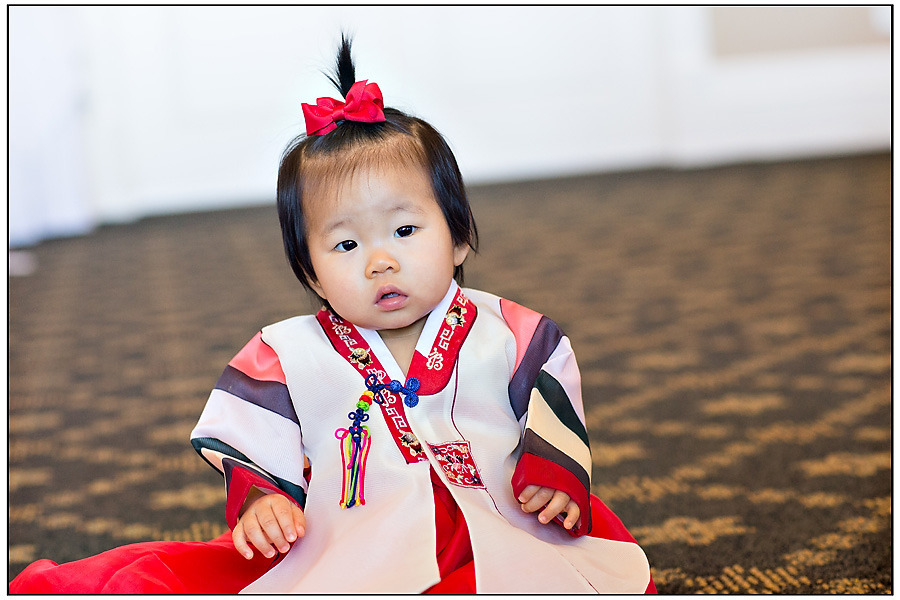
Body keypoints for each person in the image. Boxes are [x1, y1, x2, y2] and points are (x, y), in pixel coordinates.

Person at [11, 37, 654, 594]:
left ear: (459, 238)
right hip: (354, 532)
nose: (380, 261)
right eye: (346, 245)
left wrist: (552, 473)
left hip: (495, 517)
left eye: (405, 230)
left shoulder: (512, 334)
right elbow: (252, 438)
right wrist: (265, 501)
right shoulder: (284, 355)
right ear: (312, 273)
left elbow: (552, 401)